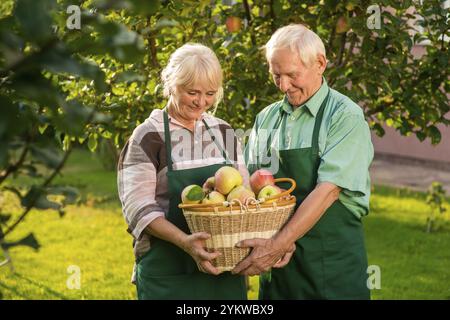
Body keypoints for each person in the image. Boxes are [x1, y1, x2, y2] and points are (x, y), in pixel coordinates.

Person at [234, 24, 374, 300]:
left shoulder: (344, 116)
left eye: (292, 75)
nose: (284, 86)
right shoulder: (267, 118)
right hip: (278, 269)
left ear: (320, 64)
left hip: (330, 266)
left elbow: (328, 191)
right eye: (276, 76)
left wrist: (278, 244)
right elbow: (251, 187)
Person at [117, 43, 249, 300]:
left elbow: (243, 193)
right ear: (171, 84)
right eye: (193, 92)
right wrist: (186, 242)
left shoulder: (223, 132)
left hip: (222, 268)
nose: (202, 102)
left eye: (210, 93)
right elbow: (138, 208)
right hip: (169, 271)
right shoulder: (148, 136)